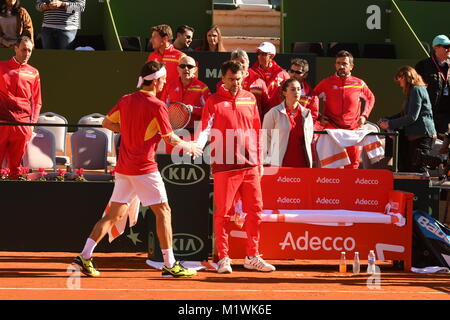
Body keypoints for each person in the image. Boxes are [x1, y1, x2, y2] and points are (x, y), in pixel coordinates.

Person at [73, 60, 203, 278]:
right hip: (144, 168)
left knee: (114, 214)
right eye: (163, 79)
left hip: (124, 168)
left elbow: (106, 122)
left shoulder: (126, 100)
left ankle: (85, 256)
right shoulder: (158, 105)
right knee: (164, 211)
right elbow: (170, 138)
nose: (164, 82)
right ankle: (170, 264)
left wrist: (130, 128)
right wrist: (189, 145)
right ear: (157, 81)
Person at [195, 60, 275, 274]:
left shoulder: (250, 99)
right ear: (223, 79)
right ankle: (224, 258)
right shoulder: (213, 101)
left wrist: (259, 162)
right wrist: (197, 145)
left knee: (255, 212)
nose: (235, 83)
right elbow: (204, 128)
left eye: (239, 79)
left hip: (250, 166)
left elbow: (256, 131)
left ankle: (252, 256)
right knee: (222, 214)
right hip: (225, 166)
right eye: (231, 79)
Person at [313, 50, 375, 169]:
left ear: (351, 66)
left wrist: (364, 116)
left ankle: (350, 187)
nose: (341, 66)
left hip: (353, 130)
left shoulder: (359, 83)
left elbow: (370, 98)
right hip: (332, 129)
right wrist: (319, 116)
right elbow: (312, 98)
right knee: (330, 164)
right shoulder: (326, 83)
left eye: (344, 64)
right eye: (338, 63)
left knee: (352, 165)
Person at [378, 66, 436, 173]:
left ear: (408, 76)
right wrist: (387, 120)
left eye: (400, 77)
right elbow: (403, 114)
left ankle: (422, 189)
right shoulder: (413, 91)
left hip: (422, 136)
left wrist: (389, 123)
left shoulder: (416, 89)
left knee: (418, 169)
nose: (398, 80)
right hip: (417, 136)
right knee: (412, 169)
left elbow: (412, 117)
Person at [0, 36, 41, 179]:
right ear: (15, 48)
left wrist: (31, 125)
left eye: (30, 50)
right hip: (2, 124)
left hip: (22, 126)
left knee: (16, 169)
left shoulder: (33, 72)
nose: (27, 54)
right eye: (24, 50)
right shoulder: (1, 67)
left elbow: (37, 101)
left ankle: (13, 200)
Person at [262, 78, 315, 167]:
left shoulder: (306, 114)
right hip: (279, 164)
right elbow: (265, 138)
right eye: (293, 89)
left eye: (298, 89)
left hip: (302, 163)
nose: (297, 92)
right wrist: (270, 158)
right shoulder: (274, 112)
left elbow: (309, 139)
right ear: (284, 92)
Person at [216, 49, 270, 120]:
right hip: (230, 124)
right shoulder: (223, 84)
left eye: (242, 62)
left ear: (248, 63)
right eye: (237, 62)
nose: (240, 65)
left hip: (252, 125)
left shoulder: (259, 82)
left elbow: (266, 106)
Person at [160, 55, 211, 130]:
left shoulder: (202, 87)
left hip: (194, 130)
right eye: (182, 66)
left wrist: (194, 109)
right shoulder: (169, 86)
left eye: (189, 66)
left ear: (195, 69)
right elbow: (162, 108)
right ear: (178, 69)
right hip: (172, 130)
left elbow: (210, 110)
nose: (186, 68)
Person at [415, 34, 450, 135]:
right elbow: (415, 91)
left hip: (446, 116)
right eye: (446, 47)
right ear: (435, 48)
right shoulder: (423, 65)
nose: (449, 49)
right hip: (429, 114)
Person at [251, 41, 289, 111]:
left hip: (276, 114)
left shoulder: (282, 74)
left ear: (271, 56)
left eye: (263, 54)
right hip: (257, 113)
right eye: (258, 53)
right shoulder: (251, 72)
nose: (260, 56)